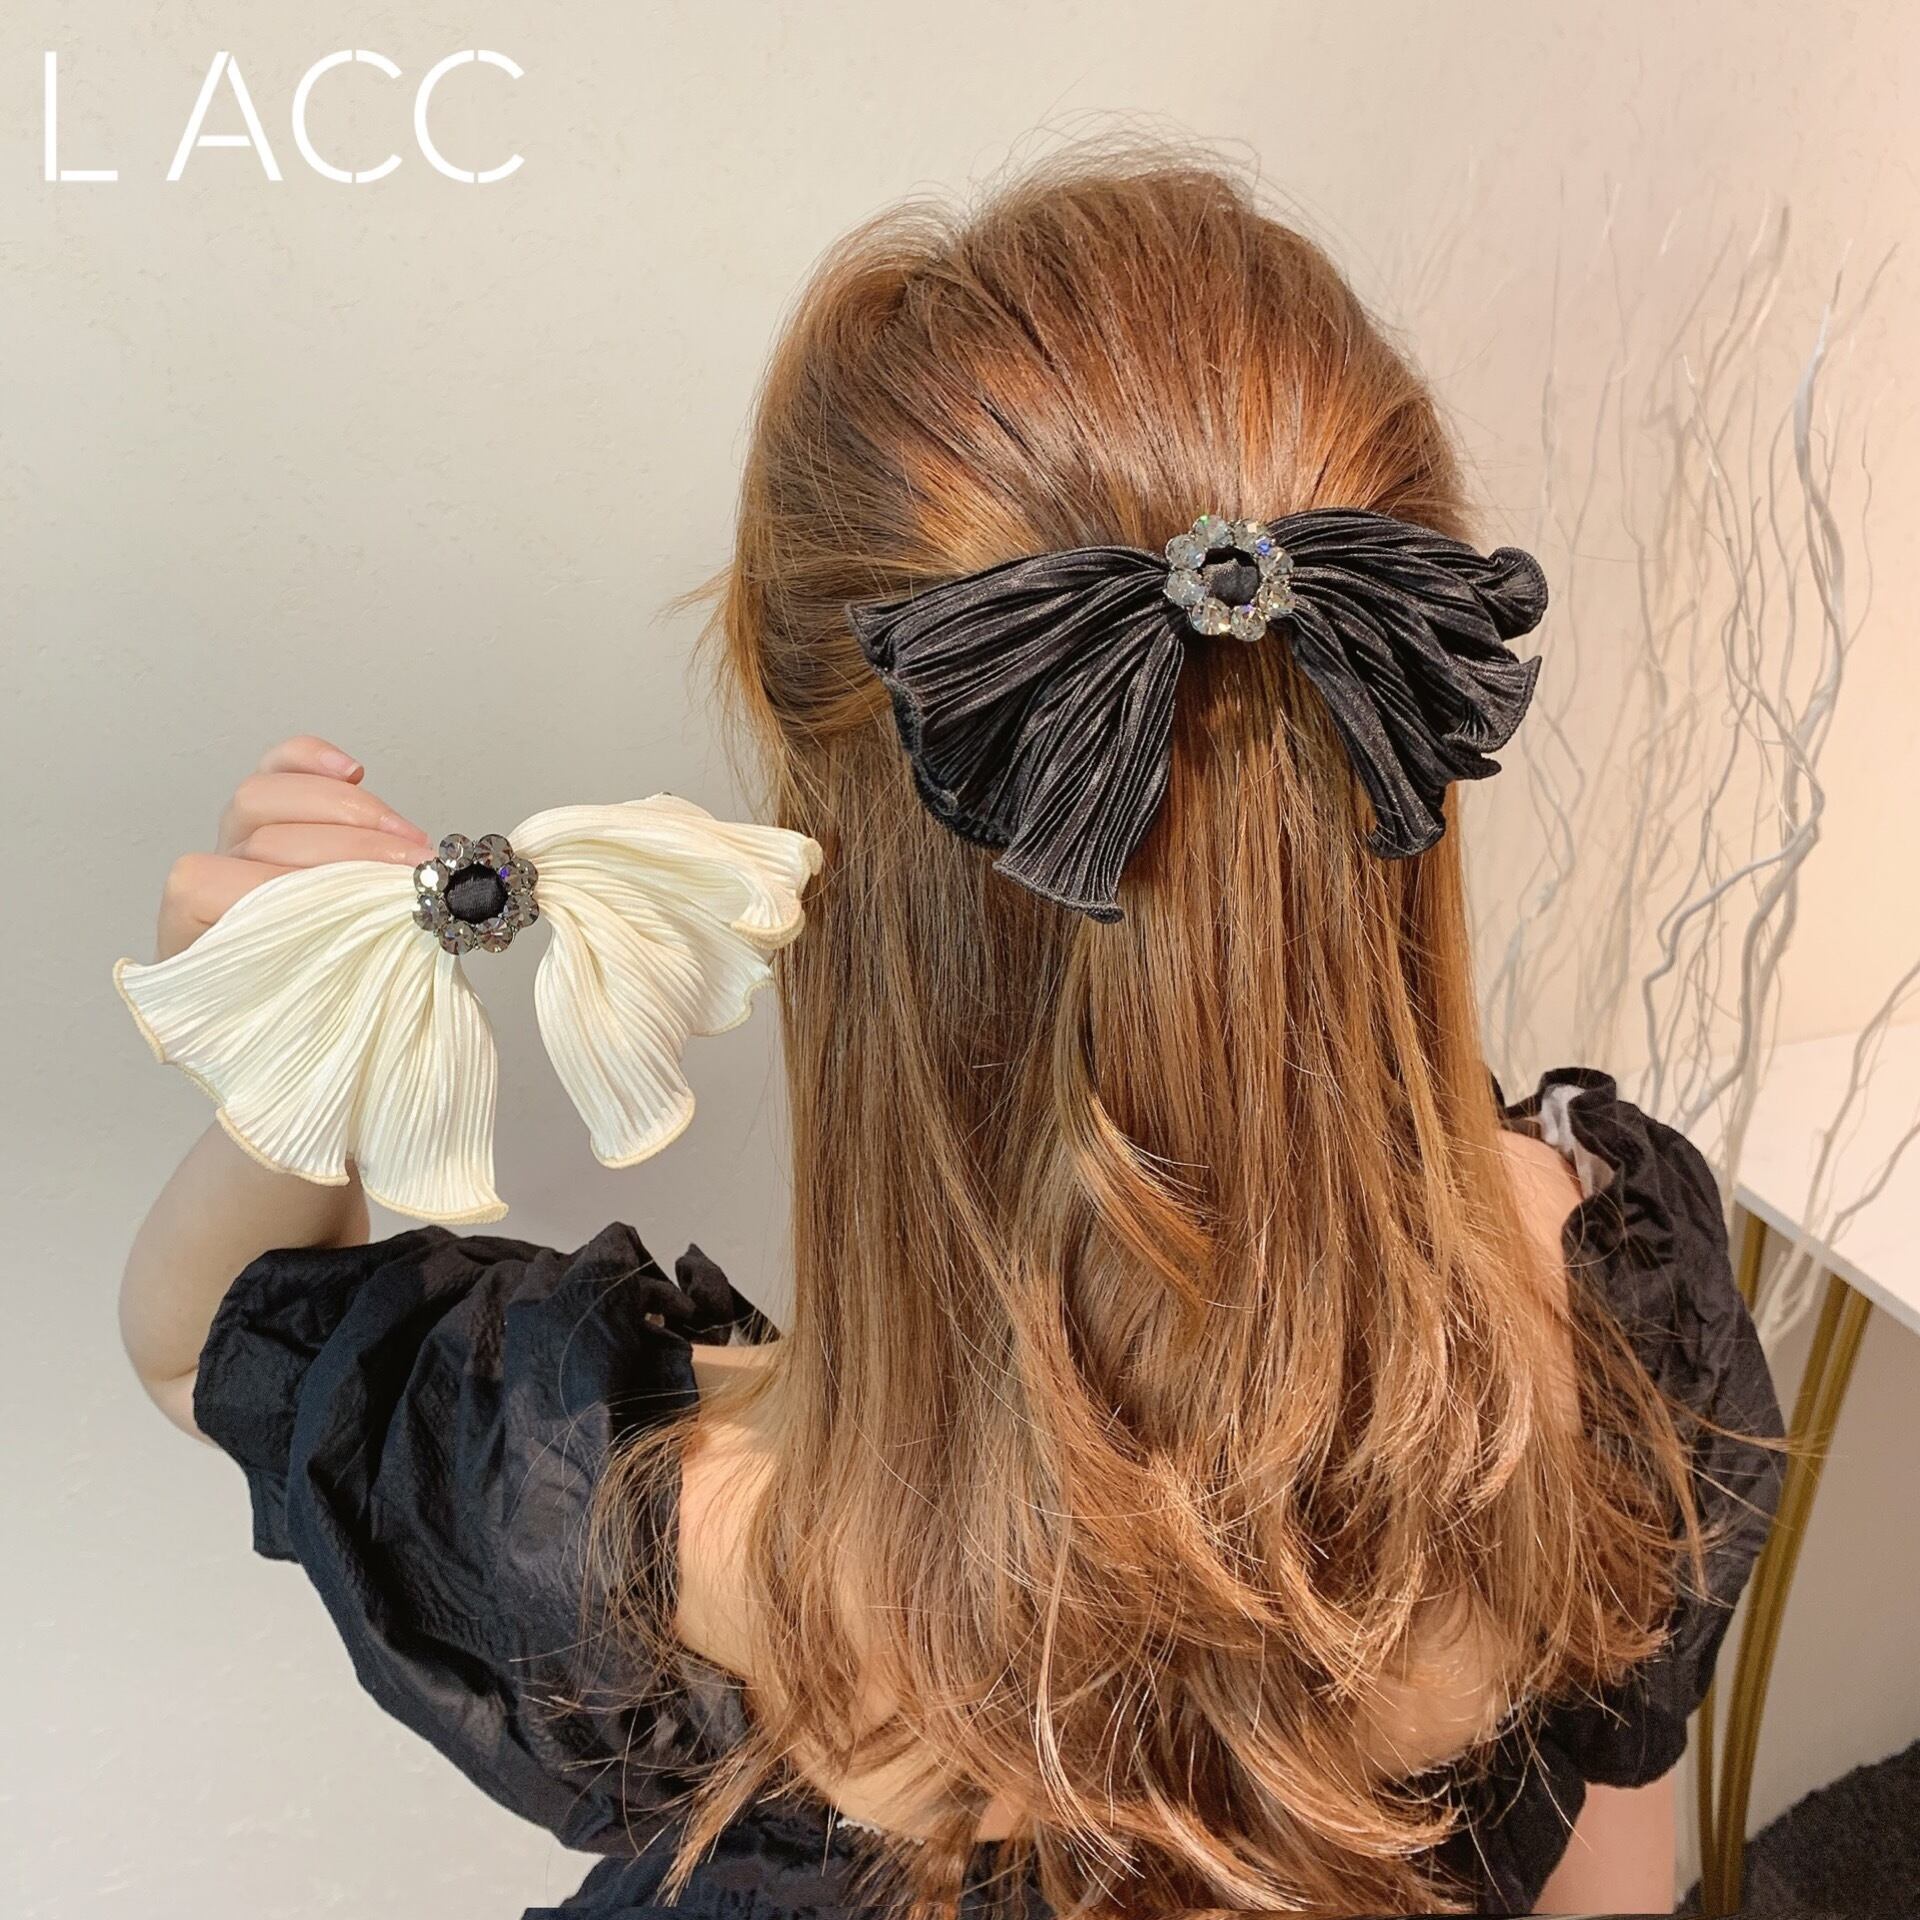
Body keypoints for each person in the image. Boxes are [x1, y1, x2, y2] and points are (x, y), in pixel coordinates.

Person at [120, 149, 1784, 1917]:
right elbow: (1621, 1891)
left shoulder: (648, 1533)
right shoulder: (1615, 1316)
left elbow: (216, 1340)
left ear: (816, 834)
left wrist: (299, 1065)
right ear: (1411, 711)